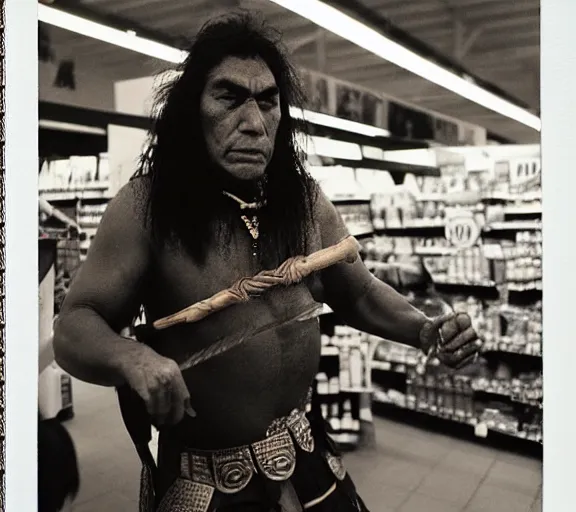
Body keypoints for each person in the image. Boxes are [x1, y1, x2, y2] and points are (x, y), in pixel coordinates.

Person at [53, 13, 482, 512]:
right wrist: (134, 358)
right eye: (229, 98)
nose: (254, 123)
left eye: (268, 101)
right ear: (193, 110)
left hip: (307, 455)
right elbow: (74, 327)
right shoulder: (146, 207)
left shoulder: (303, 199)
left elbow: (358, 292)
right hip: (206, 481)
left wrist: (424, 329)